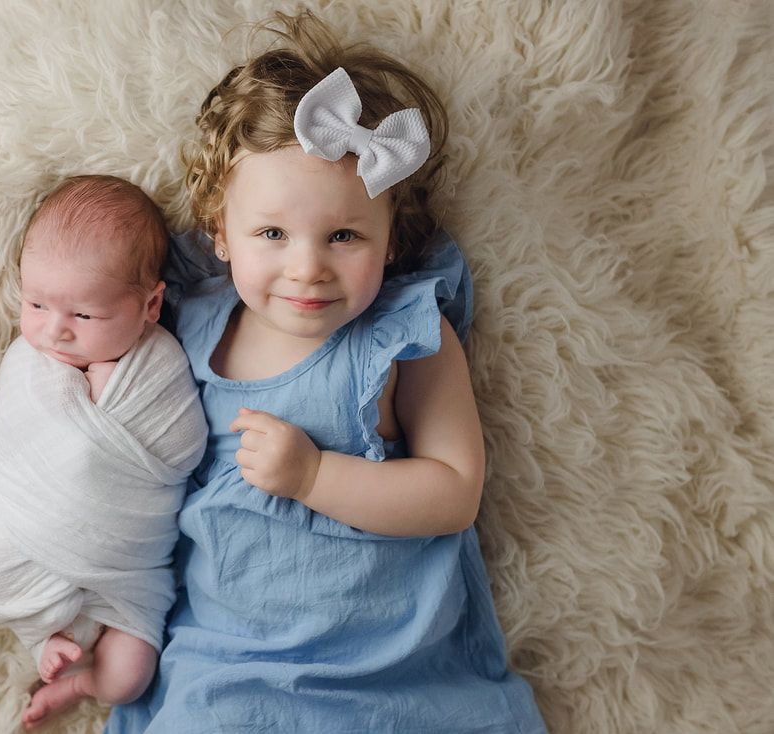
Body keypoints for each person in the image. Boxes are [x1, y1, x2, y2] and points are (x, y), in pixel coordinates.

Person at [102, 11, 548, 733]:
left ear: (391, 241)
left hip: (384, 672)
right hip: (228, 665)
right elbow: (104, 452)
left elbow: (453, 492)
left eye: (344, 236)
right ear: (219, 230)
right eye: (272, 234)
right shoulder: (183, 326)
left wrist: (314, 477)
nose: (306, 265)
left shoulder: (405, 334)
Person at [0, 175, 208, 729]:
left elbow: (182, 446)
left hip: (127, 570)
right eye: (37, 304)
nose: (55, 332)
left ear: (151, 304)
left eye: (84, 316)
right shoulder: (27, 369)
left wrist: (105, 403)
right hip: (36, 545)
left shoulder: (158, 366)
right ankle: (45, 639)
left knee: (131, 675)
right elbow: (19, 477)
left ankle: (82, 680)